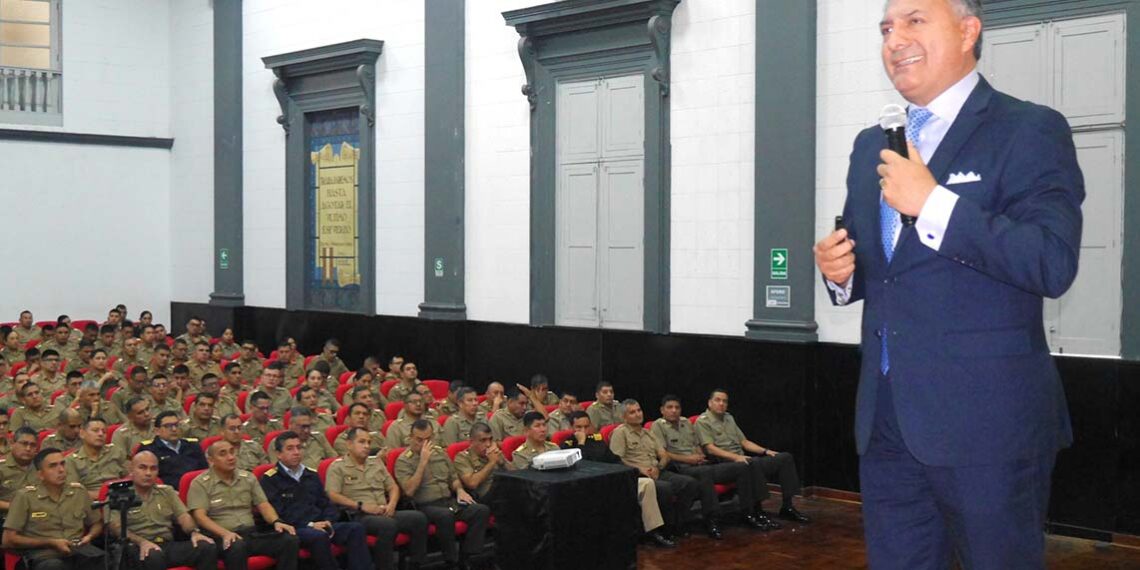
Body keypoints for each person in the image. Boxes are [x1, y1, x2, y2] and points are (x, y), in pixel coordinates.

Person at [811, 2, 1083, 567]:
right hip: (887, 425)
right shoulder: (872, 146)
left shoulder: (1028, 129)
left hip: (990, 430)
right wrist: (841, 273)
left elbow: (1051, 262)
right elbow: (885, 268)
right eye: (886, 28)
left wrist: (933, 202)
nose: (895, 39)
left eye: (914, 21)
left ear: (967, 30)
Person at [651, 395, 776, 531]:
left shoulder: (685, 423)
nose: (674, 410)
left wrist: (699, 455)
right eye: (670, 408)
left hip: (701, 464)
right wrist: (689, 459)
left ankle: (751, 512)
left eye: (677, 407)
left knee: (742, 466)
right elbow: (663, 454)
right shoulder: (658, 425)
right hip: (681, 467)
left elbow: (697, 444)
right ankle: (712, 520)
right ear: (662, 410)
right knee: (705, 473)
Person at [560, 412, 674, 548]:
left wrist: (634, 471)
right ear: (571, 427)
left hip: (612, 481)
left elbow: (614, 460)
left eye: (587, 426)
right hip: (590, 488)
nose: (584, 431)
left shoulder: (597, 440)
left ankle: (653, 532)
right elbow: (580, 466)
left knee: (647, 484)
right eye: (579, 427)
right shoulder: (566, 445)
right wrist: (581, 443)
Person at [261, 432, 371, 570]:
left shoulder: (311, 475)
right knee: (318, 536)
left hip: (322, 524)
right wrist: (311, 525)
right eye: (290, 449)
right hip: (296, 528)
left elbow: (326, 503)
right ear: (278, 454)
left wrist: (328, 520)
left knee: (355, 529)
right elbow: (280, 514)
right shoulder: (270, 479)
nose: (296, 452)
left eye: (299, 447)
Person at [695, 389, 808, 525]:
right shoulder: (703, 421)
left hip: (745, 460)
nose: (721, 404)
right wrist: (736, 457)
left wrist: (765, 451)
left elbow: (744, 442)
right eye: (718, 400)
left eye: (725, 401)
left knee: (784, 458)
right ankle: (757, 511)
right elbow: (710, 449)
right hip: (725, 464)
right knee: (751, 463)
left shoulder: (729, 418)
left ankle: (788, 506)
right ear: (709, 403)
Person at [325, 428, 429, 570]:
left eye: (369, 442)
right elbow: (332, 494)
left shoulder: (376, 462)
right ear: (349, 444)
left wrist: (392, 504)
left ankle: (416, 564)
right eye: (361, 442)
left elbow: (393, 487)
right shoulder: (338, 467)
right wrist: (360, 505)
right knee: (387, 526)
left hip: (384, 510)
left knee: (418, 518)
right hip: (360, 515)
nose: (367, 446)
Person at [187, 440, 299, 570]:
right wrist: (225, 533)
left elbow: (263, 504)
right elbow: (200, 517)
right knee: (237, 546)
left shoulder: (248, 477)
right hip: (221, 537)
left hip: (249, 534)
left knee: (289, 540)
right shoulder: (200, 483)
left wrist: (276, 521)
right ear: (211, 460)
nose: (230, 457)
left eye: (232, 452)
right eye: (223, 454)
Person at [395, 420, 490, 569]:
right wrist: (422, 462)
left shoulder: (439, 452)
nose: (424, 444)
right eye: (420, 440)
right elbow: (409, 491)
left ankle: (468, 557)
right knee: (445, 516)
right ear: (411, 437)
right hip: (424, 505)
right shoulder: (403, 460)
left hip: (448, 500)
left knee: (480, 510)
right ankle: (451, 561)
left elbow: (453, 478)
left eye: (428, 439)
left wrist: (459, 490)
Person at [609, 399, 704, 538]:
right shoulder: (620, 433)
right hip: (637, 475)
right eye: (632, 412)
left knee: (689, 483)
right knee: (665, 488)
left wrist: (658, 467)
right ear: (624, 417)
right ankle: (664, 529)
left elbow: (663, 454)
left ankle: (679, 522)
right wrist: (639, 468)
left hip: (657, 470)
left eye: (639, 410)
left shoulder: (648, 432)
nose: (637, 414)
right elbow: (617, 460)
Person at [110, 451, 219, 570]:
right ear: (131, 469)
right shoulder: (119, 494)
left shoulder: (167, 492)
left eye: (153, 469)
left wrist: (194, 532)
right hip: (137, 547)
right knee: (153, 555)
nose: (148, 473)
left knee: (207, 547)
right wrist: (142, 542)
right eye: (142, 468)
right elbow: (116, 527)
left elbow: (183, 516)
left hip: (166, 544)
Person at [2, 448, 103, 569]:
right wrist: (50, 542)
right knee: (54, 566)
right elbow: (8, 540)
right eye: (53, 466)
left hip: (78, 551)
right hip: (44, 554)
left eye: (62, 464)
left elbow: (97, 522)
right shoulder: (25, 497)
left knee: (104, 560)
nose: (60, 470)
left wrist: (89, 537)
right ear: (40, 474)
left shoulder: (78, 492)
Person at [136, 411, 209, 488]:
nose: (174, 429)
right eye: (168, 426)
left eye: (176, 425)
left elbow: (205, 471)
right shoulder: (149, 449)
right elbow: (147, 478)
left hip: (197, 489)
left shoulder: (192, 445)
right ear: (157, 431)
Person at [64, 417, 127, 499]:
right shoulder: (71, 460)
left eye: (104, 431)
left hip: (119, 500)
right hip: (89, 504)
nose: (100, 434)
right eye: (95, 430)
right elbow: (74, 491)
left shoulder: (116, 452)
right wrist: (103, 495)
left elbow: (129, 478)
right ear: (82, 434)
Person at [454, 423, 511, 503]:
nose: (488, 444)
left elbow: (515, 473)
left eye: (490, 439)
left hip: (504, 491)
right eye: (483, 440)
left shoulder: (494, 453)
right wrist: (491, 463)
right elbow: (472, 483)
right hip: (484, 497)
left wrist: (502, 462)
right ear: (471, 442)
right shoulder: (463, 458)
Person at [269, 408, 335, 470]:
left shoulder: (318, 437)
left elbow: (333, 459)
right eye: (302, 427)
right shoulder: (278, 443)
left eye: (308, 426)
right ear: (290, 425)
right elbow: (278, 470)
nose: (306, 430)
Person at [0, 428, 41, 512]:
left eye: (33, 445)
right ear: (12, 443)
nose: (28, 449)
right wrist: (15, 507)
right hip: (7, 516)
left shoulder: (42, 466)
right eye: (24, 444)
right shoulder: (2, 467)